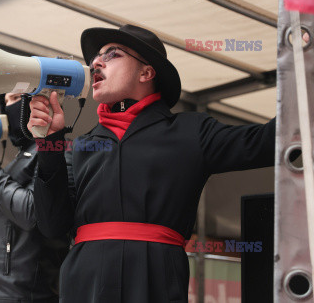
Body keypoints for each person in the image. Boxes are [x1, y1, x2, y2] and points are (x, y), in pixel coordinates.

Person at [27, 24, 275, 302]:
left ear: (147, 72)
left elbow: (271, 139)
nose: (96, 62)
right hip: (84, 283)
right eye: (96, 57)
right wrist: (49, 145)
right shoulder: (81, 145)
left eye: (113, 54)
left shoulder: (193, 132)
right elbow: (51, 225)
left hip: (156, 278)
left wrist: (306, 64)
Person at [0, 93, 69, 303]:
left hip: (14, 294)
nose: (11, 106)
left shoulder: (56, 150)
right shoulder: (23, 157)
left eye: (18, 97)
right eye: (8, 100)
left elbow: (31, 212)